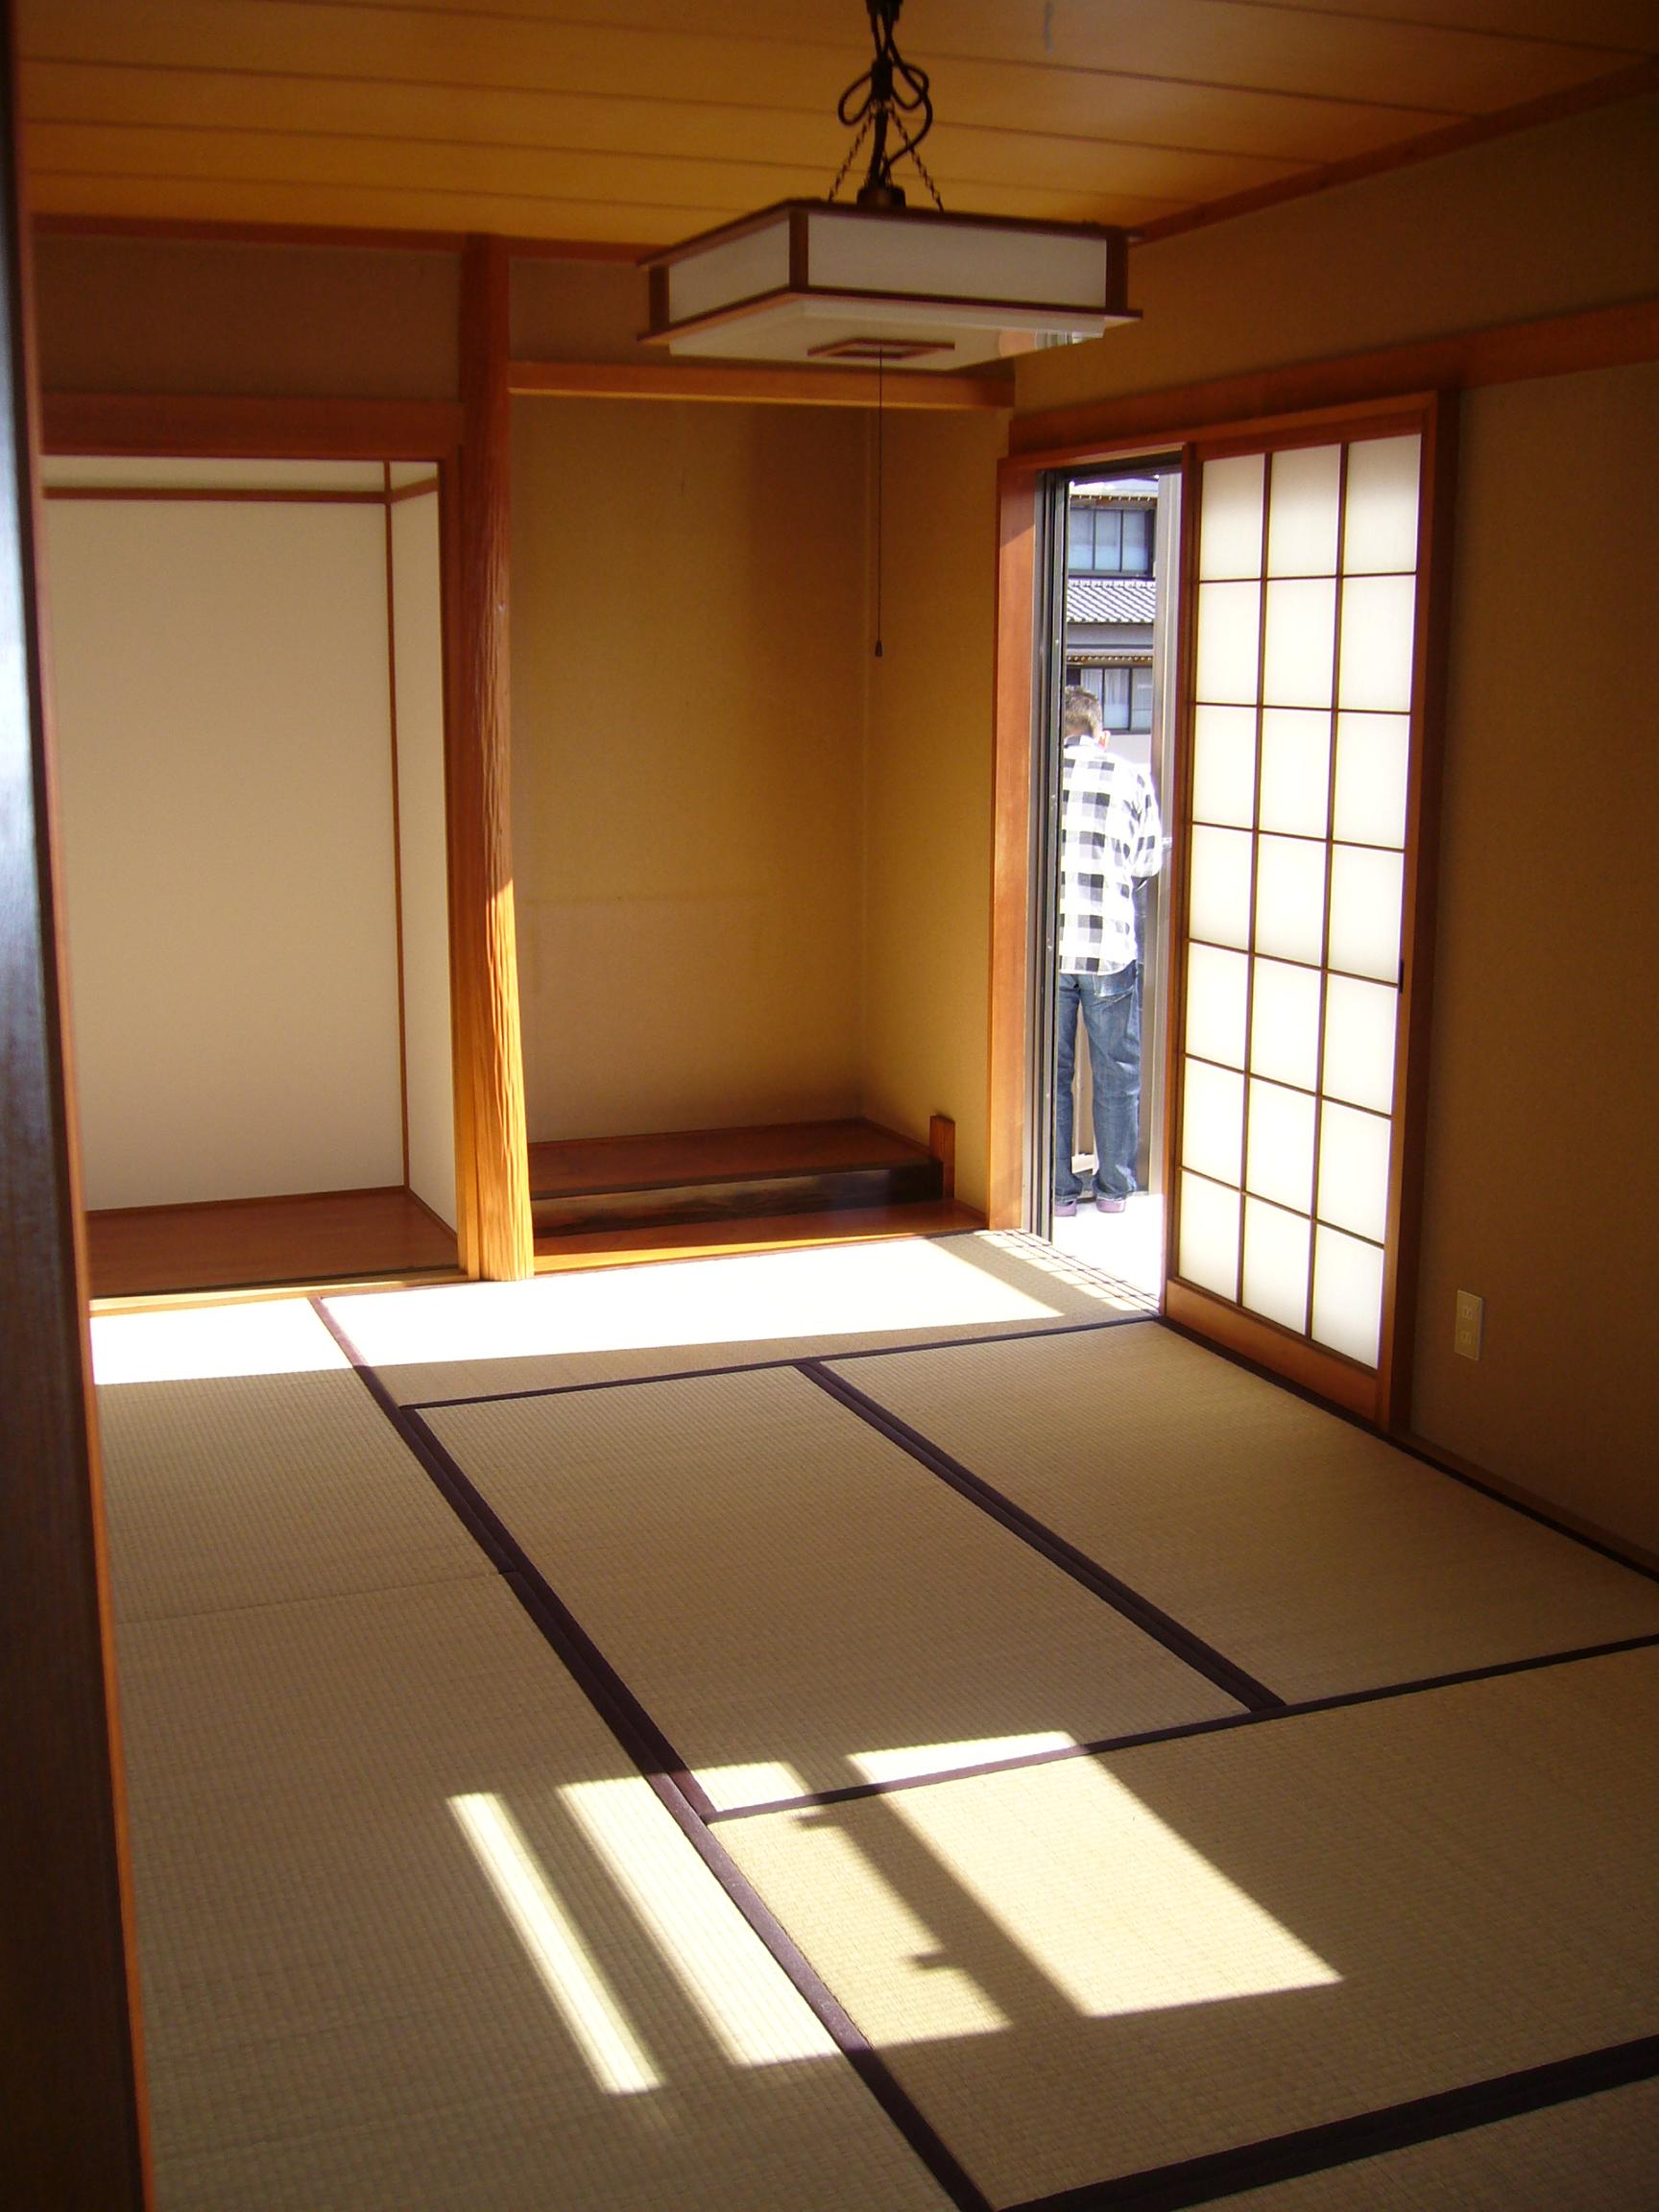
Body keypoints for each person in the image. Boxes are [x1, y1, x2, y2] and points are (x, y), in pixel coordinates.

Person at [1053, 685, 1163, 1217]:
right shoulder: (1131, 776)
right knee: (1116, 1070)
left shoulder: (1038, 774)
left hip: (1047, 950)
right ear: (1103, 734)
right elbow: (1146, 863)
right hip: (1110, 946)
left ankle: (1057, 1193)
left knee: (1051, 1073)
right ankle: (1115, 1191)